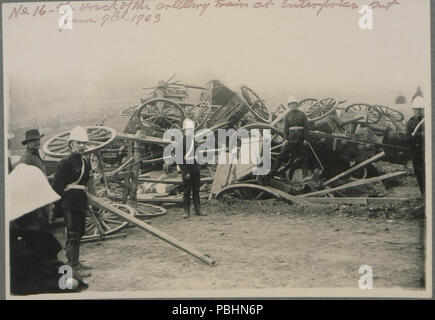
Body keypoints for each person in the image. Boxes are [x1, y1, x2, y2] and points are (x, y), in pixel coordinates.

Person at [8, 164, 88, 295]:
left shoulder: (23, 245)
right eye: (47, 203)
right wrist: (73, 281)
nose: (52, 207)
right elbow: (66, 285)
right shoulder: (30, 255)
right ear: (38, 212)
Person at [52, 126, 95, 277]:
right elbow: (57, 186)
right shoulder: (65, 162)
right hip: (69, 203)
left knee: (80, 232)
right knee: (72, 234)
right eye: (78, 143)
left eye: (84, 143)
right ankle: (71, 267)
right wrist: (55, 208)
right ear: (71, 144)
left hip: (81, 201)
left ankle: (76, 263)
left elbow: (87, 182)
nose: (82, 146)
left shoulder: (85, 162)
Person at [268, 95, 309, 179]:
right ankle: (273, 172)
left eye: (294, 104)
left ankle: (305, 176)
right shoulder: (287, 116)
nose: (293, 105)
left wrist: (306, 139)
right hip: (291, 139)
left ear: (296, 104)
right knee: (281, 155)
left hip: (301, 139)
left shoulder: (302, 114)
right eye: (291, 104)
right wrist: (285, 139)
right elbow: (285, 129)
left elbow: (306, 127)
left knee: (303, 157)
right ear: (289, 106)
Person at [176, 118, 206, 218]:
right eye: (188, 130)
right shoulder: (181, 142)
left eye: (191, 130)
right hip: (187, 171)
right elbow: (179, 159)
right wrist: (185, 172)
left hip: (195, 170)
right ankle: (186, 211)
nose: (190, 132)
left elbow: (198, 155)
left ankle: (198, 209)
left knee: (196, 191)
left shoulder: (194, 141)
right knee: (187, 191)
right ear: (184, 131)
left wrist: (198, 167)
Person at [406, 96, 425, 197]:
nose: (417, 111)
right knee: (419, 175)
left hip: (426, 153)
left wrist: (418, 136)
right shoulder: (411, 121)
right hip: (416, 153)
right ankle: (424, 196)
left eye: (420, 109)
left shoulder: (428, 120)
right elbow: (408, 137)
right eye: (415, 109)